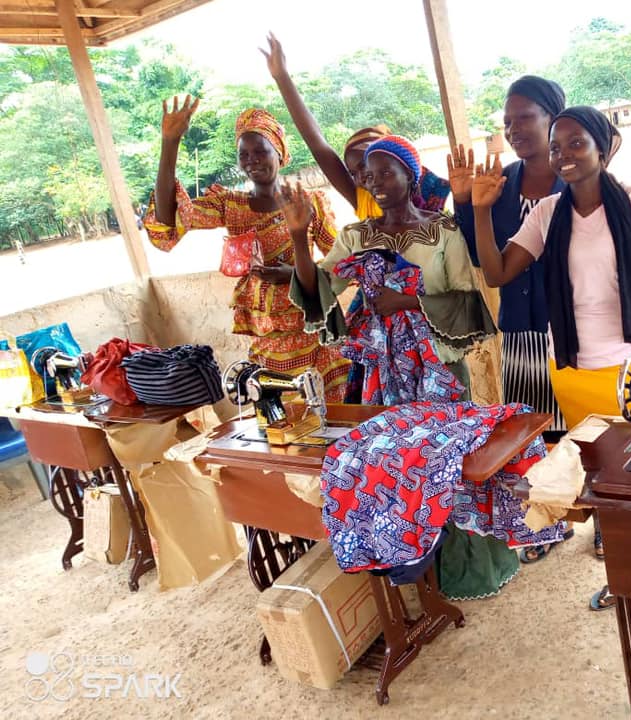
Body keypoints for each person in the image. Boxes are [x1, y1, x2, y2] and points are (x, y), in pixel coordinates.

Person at [283, 135, 525, 601]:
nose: (373, 181)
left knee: (450, 466)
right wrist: (298, 236)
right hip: (381, 372)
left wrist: (409, 300)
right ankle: (410, 568)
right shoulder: (355, 237)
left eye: (384, 171)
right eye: (366, 175)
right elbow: (319, 290)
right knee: (393, 468)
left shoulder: (443, 232)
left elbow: (468, 301)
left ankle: (466, 571)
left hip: (439, 368)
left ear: (410, 175)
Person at [470, 106, 631, 621]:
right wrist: (480, 209)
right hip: (572, 371)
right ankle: (630, 583)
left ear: (603, 147)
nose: (563, 156)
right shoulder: (547, 213)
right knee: (607, 493)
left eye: (575, 144)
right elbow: (498, 273)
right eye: (555, 148)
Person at [142, 97, 350, 400]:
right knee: (280, 427)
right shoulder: (230, 206)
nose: (252, 160)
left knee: (330, 419)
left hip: (315, 337)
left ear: (279, 152)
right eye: (244, 154)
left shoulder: (309, 202)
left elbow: (343, 267)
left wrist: (292, 274)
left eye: (260, 151)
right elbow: (166, 220)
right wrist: (170, 143)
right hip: (265, 342)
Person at [448, 75, 576, 564]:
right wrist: (465, 201)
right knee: (536, 428)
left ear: (552, 119)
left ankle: (605, 517)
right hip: (523, 323)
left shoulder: (580, 181)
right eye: (508, 121)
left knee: (590, 425)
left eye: (526, 117)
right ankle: (548, 520)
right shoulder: (501, 189)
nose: (515, 128)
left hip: (576, 324)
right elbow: (481, 256)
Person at [262, 33, 450, 221]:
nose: (361, 178)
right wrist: (282, 77)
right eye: (353, 173)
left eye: (364, 166)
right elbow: (318, 145)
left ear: (404, 171)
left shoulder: (435, 205)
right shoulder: (365, 201)